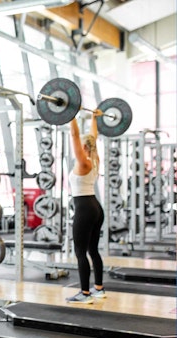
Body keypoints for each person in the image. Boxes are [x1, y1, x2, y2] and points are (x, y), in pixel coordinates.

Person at [66, 109, 107, 304]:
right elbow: (94, 136)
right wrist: (94, 118)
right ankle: (98, 288)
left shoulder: (83, 162)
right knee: (93, 250)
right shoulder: (94, 159)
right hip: (95, 208)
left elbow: (74, 134)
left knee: (80, 252)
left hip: (84, 209)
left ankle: (85, 293)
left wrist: (70, 113)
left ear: (83, 146)